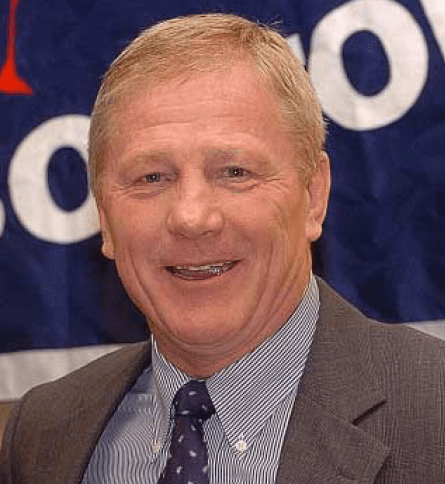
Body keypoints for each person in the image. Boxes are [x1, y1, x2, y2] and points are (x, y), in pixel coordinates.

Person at [1, 13, 445, 484]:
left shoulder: (432, 411)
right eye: (151, 177)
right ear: (105, 219)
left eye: (235, 172)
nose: (192, 218)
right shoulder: (41, 435)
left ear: (313, 196)